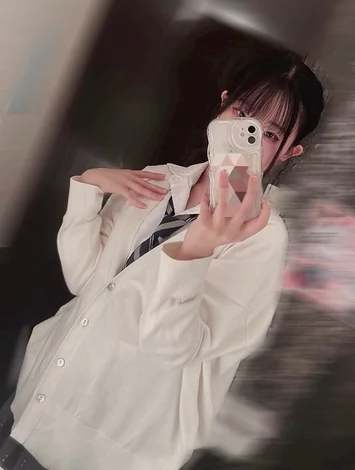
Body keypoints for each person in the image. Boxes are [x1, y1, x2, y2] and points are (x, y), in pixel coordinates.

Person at [0, 50, 324, 470]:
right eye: (242, 113)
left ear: (289, 153)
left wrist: (194, 252)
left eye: (268, 133)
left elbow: (171, 348)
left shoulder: (261, 239)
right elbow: (85, 281)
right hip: (37, 395)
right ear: (223, 104)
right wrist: (90, 185)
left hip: (100, 448)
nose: (246, 134)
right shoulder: (161, 179)